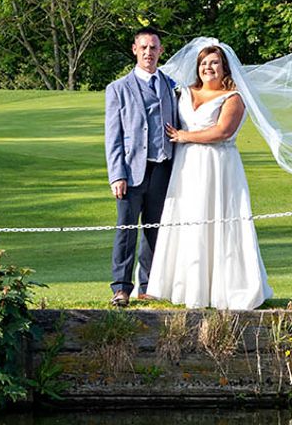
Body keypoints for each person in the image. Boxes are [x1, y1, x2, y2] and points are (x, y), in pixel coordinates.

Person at [146, 45, 273, 310]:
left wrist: (184, 137)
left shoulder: (233, 97)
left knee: (217, 220)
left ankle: (224, 289)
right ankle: (183, 287)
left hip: (218, 166)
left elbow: (223, 132)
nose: (208, 68)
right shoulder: (184, 92)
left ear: (224, 67)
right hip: (186, 166)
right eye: (204, 63)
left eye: (214, 63)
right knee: (187, 218)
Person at [104, 27, 178, 307]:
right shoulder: (118, 88)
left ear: (161, 51)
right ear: (134, 49)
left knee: (154, 229)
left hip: (163, 168)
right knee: (126, 229)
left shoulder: (170, 85)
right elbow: (113, 136)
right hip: (131, 170)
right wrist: (117, 175)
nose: (149, 52)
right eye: (144, 47)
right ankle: (121, 287)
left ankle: (148, 285)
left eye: (154, 47)